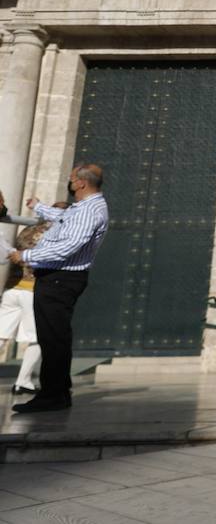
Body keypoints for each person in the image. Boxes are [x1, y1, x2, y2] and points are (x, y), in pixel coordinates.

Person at [5, 164, 109, 413]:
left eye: (72, 179)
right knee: (52, 337)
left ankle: (53, 395)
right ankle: (58, 391)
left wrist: (26, 256)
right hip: (56, 278)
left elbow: (67, 247)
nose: (70, 183)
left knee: (54, 338)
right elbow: (63, 218)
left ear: (81, 183)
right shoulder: (84, 207)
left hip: (61, 279)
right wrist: (39, 207)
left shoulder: (89, 211)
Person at [0, 208, 49, 395]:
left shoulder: (26, 230)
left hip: (12, 288)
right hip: (32, 291)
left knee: (1, 334)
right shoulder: (52, 232)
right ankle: (23, 381)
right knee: (36, 338)